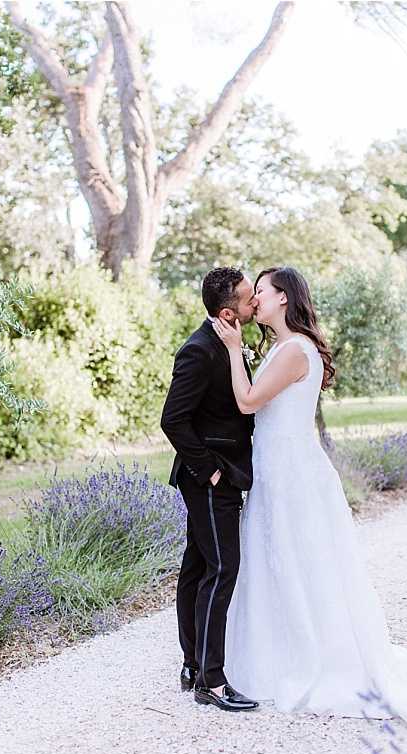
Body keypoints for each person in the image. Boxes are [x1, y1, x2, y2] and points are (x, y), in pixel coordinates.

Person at [211, 265, 407, 735]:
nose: (255, 300)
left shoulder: (294, 351)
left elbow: (247, 402)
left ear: (284, 298)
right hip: (277, 471)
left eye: (261, 292)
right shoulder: (283, 348)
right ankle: (275, 652)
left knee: (299, 560)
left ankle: (316, 656)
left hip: (292, 475)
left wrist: (229, 350)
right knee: (276, 561)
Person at [160, 267, 260, 712]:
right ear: (228, 313)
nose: (254, 302)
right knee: (222, 570)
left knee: (199, 567)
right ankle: (212, 681)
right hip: (208, 478)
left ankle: (191, 664)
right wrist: (211, 474)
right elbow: (172, 420)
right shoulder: (199, 351)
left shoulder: (228, 344)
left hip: (215, 476)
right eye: (247, 299)